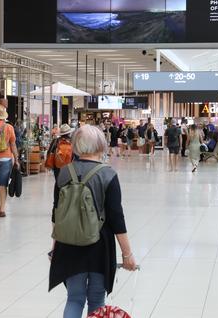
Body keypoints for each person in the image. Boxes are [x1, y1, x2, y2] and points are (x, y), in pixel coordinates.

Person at [49, 125, 137, 317]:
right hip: (99, 245)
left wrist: (55, 246)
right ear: (100, 145)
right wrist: (127, 254)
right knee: (97, 299)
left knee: (74, 298)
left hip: (68, 244)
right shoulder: (108, 175)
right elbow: (116, 218)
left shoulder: (64, 173)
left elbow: (57, 213)